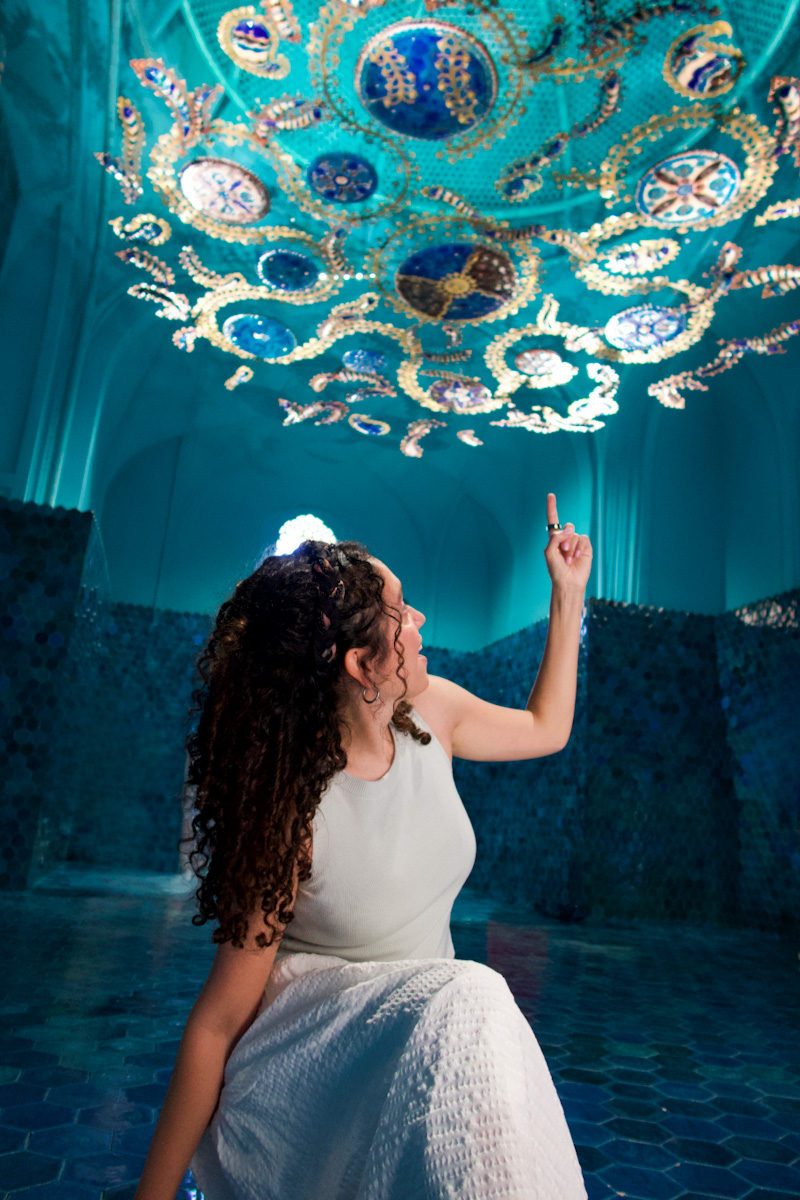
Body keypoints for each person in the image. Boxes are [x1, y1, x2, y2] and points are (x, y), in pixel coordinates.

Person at [133, 493, 591, 1200]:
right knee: (478, 994)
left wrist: (567, 593)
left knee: (474, 1009)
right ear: (360, 664)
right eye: (400, 612)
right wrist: (154, 1193)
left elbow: (545, 727)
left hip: (429, 1036)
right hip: (320, 1062)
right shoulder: (293, 811)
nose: (419, 621)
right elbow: (218, 1022)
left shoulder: (433, 713)